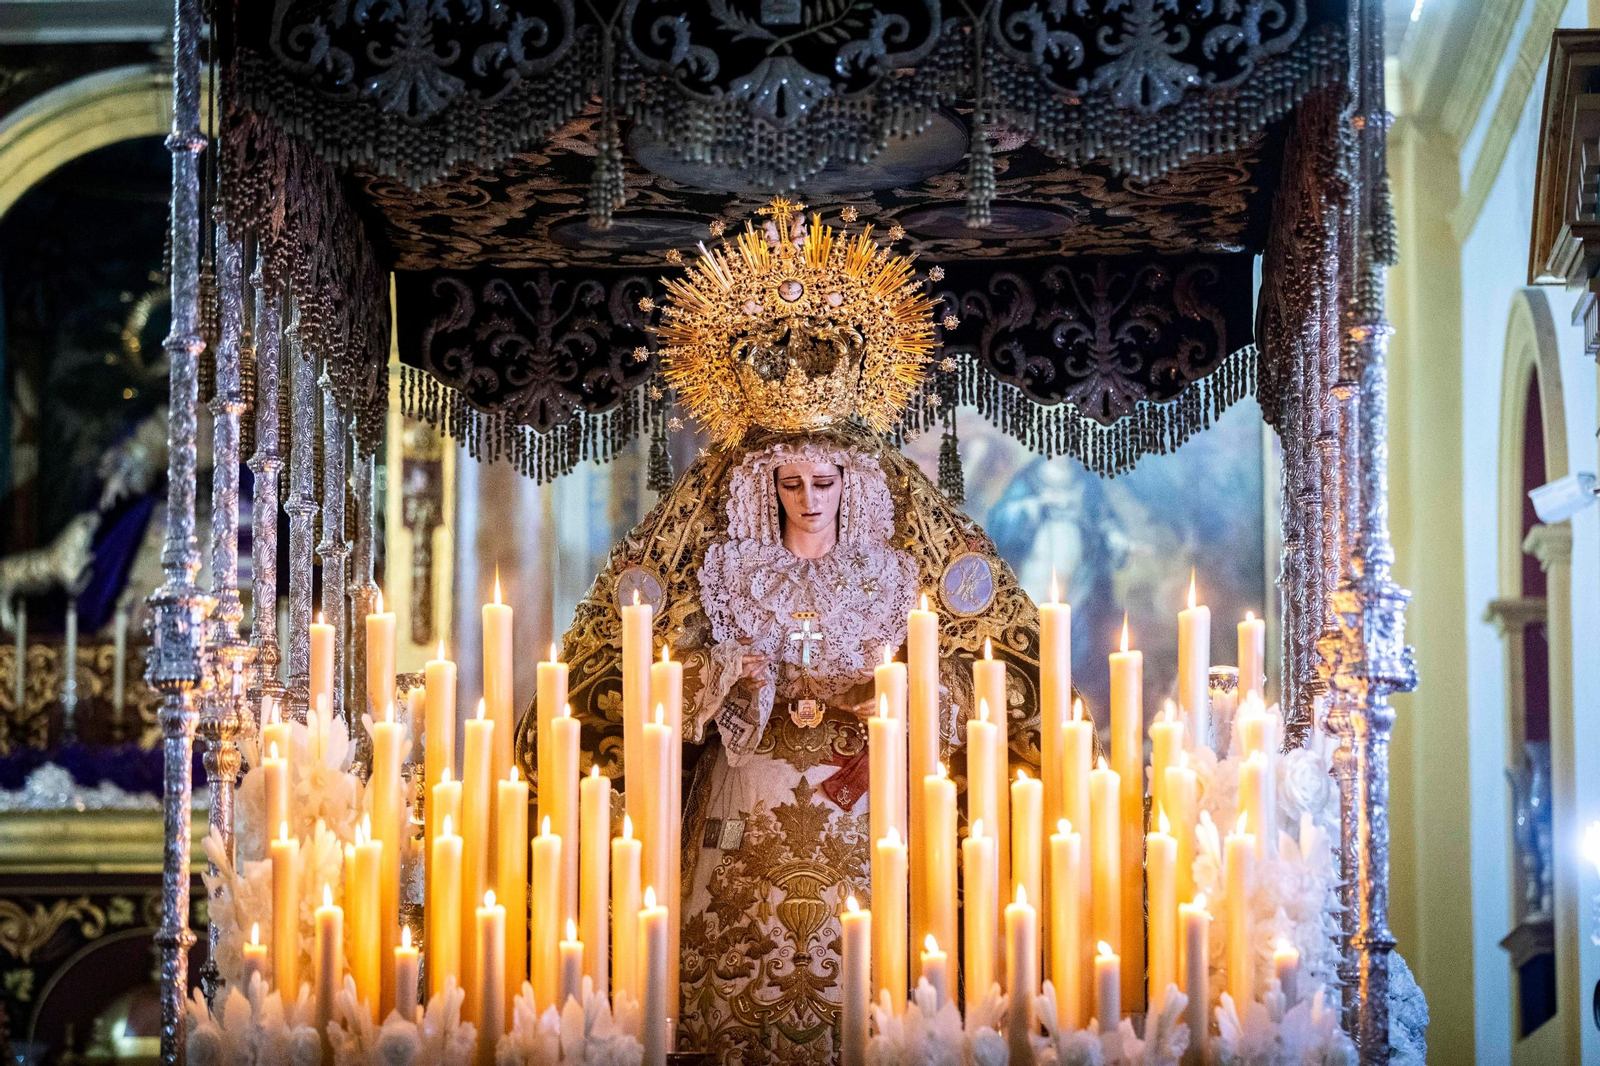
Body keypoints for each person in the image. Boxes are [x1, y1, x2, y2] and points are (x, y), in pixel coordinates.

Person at [517, 200, 1044, 1064]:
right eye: (791, 483)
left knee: (869, 979)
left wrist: (890, 693)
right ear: (767, 487)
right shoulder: (727, 573)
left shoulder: (888, 576)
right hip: (745, 794)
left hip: (861, 795)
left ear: (852, 484)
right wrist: (728, 673)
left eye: (825, 480)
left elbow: (964, 695)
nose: (809, 498)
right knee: (738, 971)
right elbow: (649, 694)